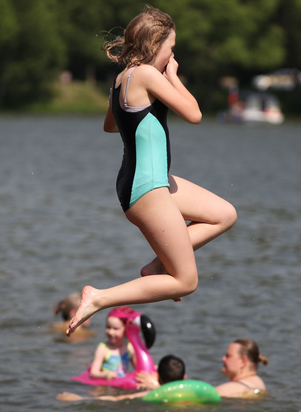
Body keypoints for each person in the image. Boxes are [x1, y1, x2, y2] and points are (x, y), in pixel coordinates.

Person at [66, 5, 237, 336]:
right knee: (186, 281)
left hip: (151, 180)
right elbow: (194, 114)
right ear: (156, 46)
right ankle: (99, 298)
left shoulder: (122, 79)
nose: (172, 56)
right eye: (171, 49)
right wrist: (171, 77)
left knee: (223, 214)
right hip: (146, 187)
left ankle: (158, 264)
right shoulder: (145, 75)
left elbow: (110, 126)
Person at [57, 354, 185, 402]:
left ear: (157, 375)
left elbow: (118, 398)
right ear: (184, 378)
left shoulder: (153, 393)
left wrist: (81, 398)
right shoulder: (193, 392)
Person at [89, 307, 137, 380]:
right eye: (108, 327)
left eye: (115, 329)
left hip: (123, 384)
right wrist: (105, 375)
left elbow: (138, 368)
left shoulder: (129, 348)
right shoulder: (103, 349)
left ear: (126, 329)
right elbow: (93, 372)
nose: (111, 332)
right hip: (107, 385)